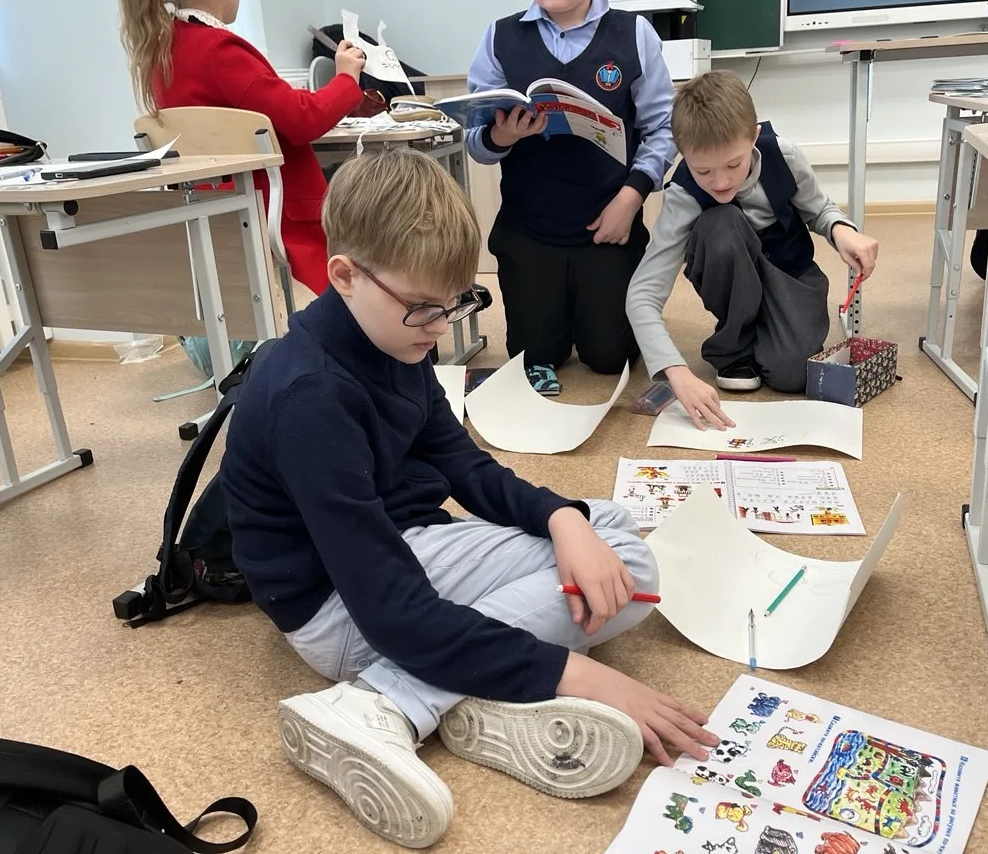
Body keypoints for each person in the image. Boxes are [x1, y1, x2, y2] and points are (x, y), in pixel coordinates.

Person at [218, 149, 718, 849]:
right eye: (424, 309)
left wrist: (560, 519)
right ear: (345, 276)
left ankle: (455, 688)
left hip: (400, 553)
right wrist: (580, 676)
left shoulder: (393, 338)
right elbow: (389, 606)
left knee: (600, 526)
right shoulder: (311, 397)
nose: (440, 327)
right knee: (629, 571)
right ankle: (380, 703)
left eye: (455, 303)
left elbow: (461, 463)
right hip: (341, 609)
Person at [464, 0, 676, 397]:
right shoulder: (498, 38)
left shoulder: (634, 35)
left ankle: (597, 304)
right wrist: (502, 136)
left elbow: (664, 129)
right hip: (530, 226)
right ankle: (549, 311)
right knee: (536, 354)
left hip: (607, 224)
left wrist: (631, 199)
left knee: (608, 357)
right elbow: (476, 140)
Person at [116, 0, 366, 296]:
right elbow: (303, 121)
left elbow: (271, 107)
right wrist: (346, 78)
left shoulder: (161, 53)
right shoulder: (220, 51)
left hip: (220, 217)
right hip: (281, 220)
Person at [626, 71, 882, 429]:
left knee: (792, 375)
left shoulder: (784, 155)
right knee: (720, 222)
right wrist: (676, 372)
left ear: (754, 137)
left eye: (734, 164)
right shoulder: (682, 195)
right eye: (703, 171)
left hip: (790, 273)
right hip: (734, 275)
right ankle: (735, 350)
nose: (721, 181)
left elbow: (820, 209)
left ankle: (768, 334)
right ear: (683, 154)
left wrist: (842, 231)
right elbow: (642, 294)